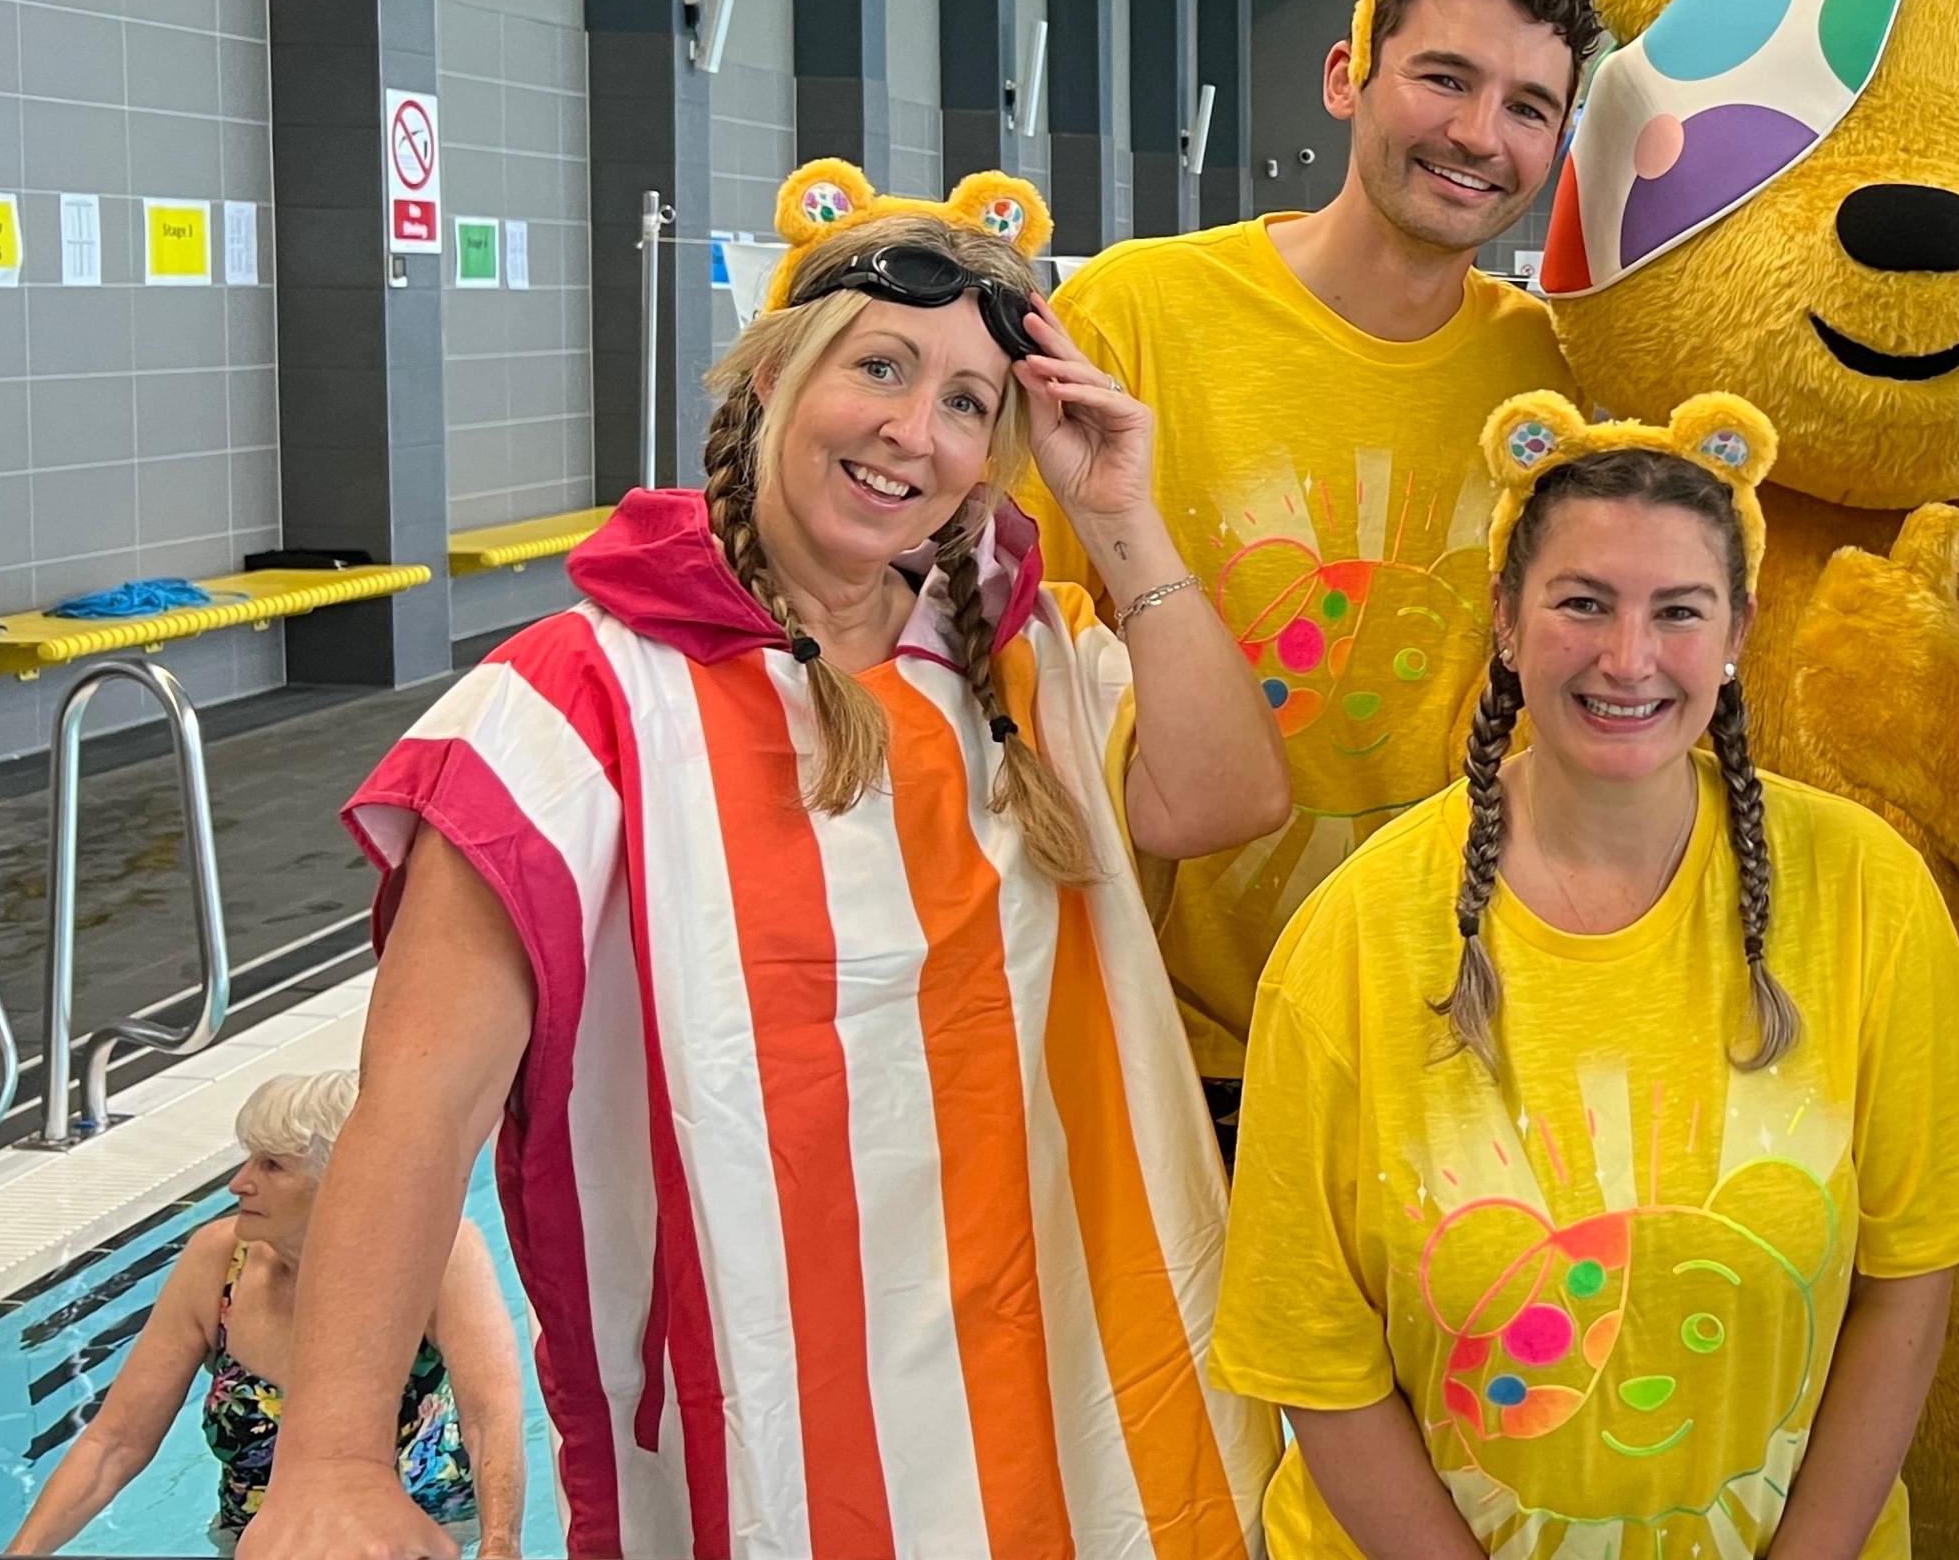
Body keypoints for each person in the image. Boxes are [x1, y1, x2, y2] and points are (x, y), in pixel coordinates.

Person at [242, 166, 1294, 1560]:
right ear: (770, 382)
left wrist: (1123, 519)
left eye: (969, 402)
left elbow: (1224, 798)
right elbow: (418, 1106)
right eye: (881, 366)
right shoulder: (577, 707)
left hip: (1084, 1410)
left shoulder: (1022, 662)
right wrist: (328, 1459)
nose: (913, 431)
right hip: (787, 1453)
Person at [1211, 390, 1959, 1559]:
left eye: (1679, 611)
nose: (1629, 658)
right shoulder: (1353, 939)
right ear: (1505, 618)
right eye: (1583, 604)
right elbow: (1317, 1358)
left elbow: (1908, 1285)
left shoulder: (1863, 893)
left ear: (1739, 630)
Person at [1021, 0, 1598, 1162]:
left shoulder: (1561, 378)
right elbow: (1013, 658)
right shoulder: (1138, 319)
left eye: (1527, 107)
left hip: (1455, 1035)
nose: (1476, 133)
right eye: (1442, 78)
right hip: (1174, 1054)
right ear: (1347, 76)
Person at [5, 1070, 521, 1557]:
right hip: (255, 1544)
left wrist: (501, 1547)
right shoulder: (217, 1263)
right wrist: (20, 1554)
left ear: (340, 1183)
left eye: (271, 1166)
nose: (238, 1184)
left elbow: (490, 1419)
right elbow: (115, 1441)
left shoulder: (437, 1256)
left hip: (415, 1541)